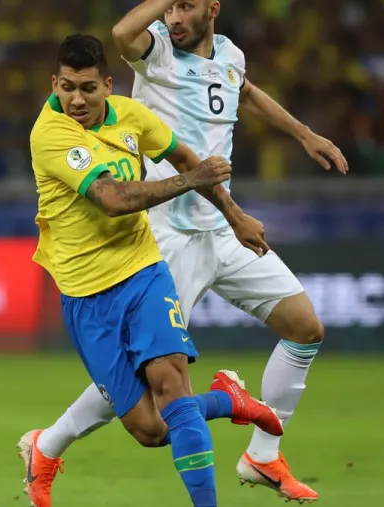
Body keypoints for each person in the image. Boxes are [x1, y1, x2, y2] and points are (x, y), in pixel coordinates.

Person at [21, 1, 350, 504]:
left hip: (220, 223)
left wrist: (303, 134)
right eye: (170, 7)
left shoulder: (230, 56)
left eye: (186, 7)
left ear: (212, 9)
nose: (174, 17)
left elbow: (244, 92)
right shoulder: (156, 54)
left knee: (306, 328)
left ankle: (263, 454)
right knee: (149, 390)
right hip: (166, 236)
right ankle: (49, 443)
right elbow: (123, 31)